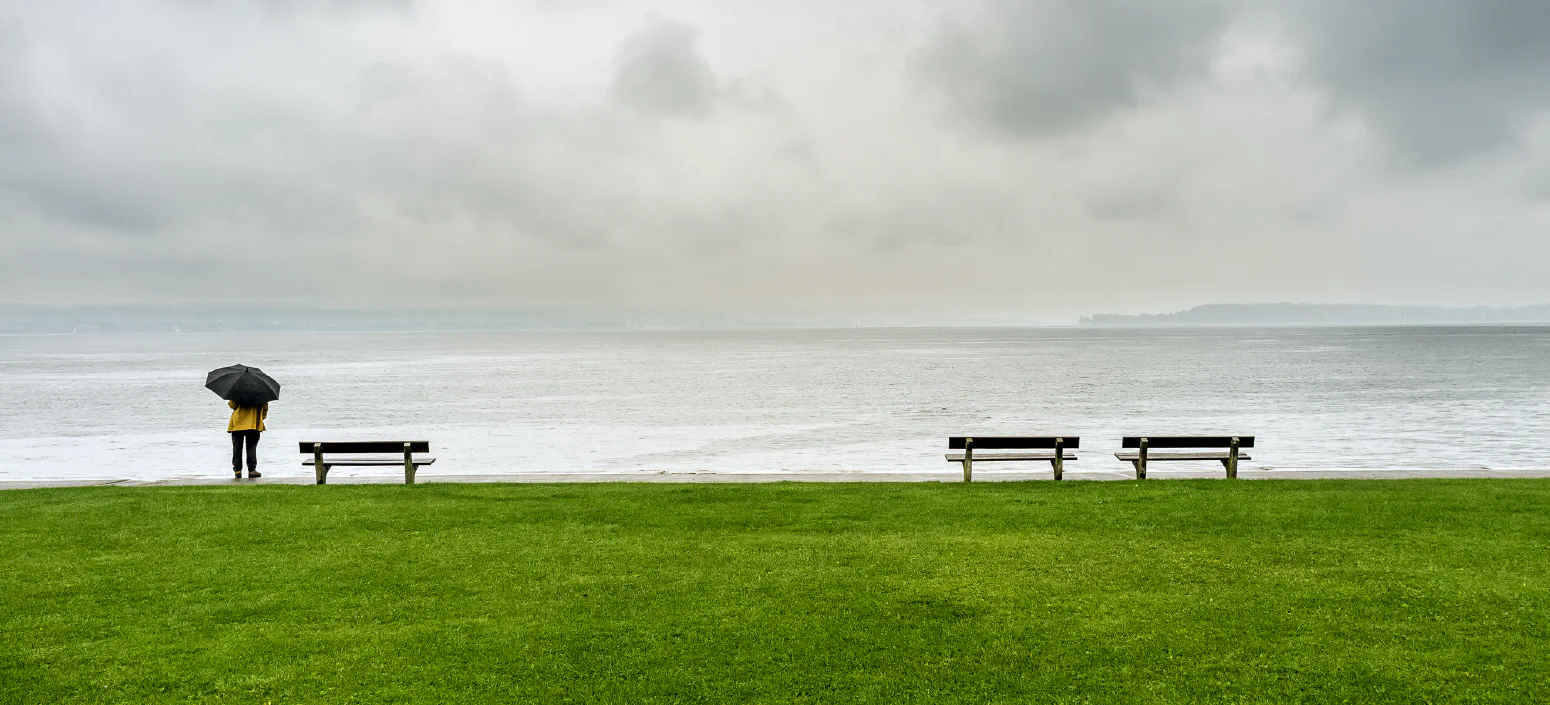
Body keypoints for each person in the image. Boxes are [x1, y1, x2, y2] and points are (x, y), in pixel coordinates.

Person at [228, 400, 269, 478]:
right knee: (251, 447)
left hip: (238, 423)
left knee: (237, 448)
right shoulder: (260, 392)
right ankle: (252, 470)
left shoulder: (238, 390)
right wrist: (261, 418)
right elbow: (265, 407)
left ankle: (237, 470)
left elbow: (232, 405)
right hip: (254, 423)